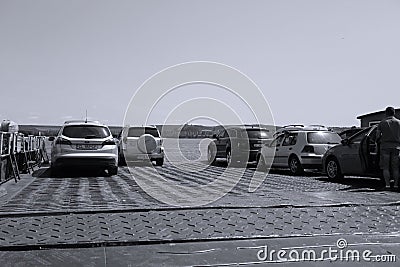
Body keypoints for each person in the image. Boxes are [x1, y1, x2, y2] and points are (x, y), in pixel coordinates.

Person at [376, 107, 400, 191]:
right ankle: (396, 185)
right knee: (395, 167)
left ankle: (387, 185)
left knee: (386, 167)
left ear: (386, 113)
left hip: (385, 147)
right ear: (394, 113)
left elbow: (377, 136)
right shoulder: (398, 122)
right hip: (396, 147)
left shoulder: (382, 123)